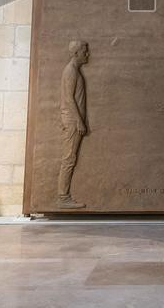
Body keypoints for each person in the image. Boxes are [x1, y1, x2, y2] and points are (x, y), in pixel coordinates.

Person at [57, 40, 89, 209]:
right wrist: (79, 121)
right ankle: (63, 197)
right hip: (72, 122)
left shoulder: (74, 71)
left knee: (70, 158)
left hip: (72, 121)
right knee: (69, 158)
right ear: (76, 53)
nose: (87, 54)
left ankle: (64, 196)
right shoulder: (70, 71)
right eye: (85, 51)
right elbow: (69, 98)